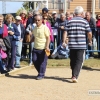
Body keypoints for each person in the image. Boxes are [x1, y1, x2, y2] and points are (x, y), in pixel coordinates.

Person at [63, 6, 92, 83]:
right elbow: (89, 33)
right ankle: (74, 76)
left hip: (72, 44)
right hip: (81, 44)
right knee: (79, 60)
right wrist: (90, 40)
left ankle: (73, 73)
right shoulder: (85, 22)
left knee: (73, 59)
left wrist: (64, 41)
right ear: (82, 13)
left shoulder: (69, 21)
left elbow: (65, 32)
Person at [32, 14, 50, 80]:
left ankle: (41, 74)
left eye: (38, 20)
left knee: (43, 62)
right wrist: (30, 40)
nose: (37, 21)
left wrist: (47, 46)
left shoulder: (45, 28)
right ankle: (41, 71)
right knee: (34, 60)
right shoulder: (34, 28)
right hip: (35, 47)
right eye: (36, 20)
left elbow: (48, 38)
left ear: (41, 20)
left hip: (43, 48)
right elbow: (34, 36)